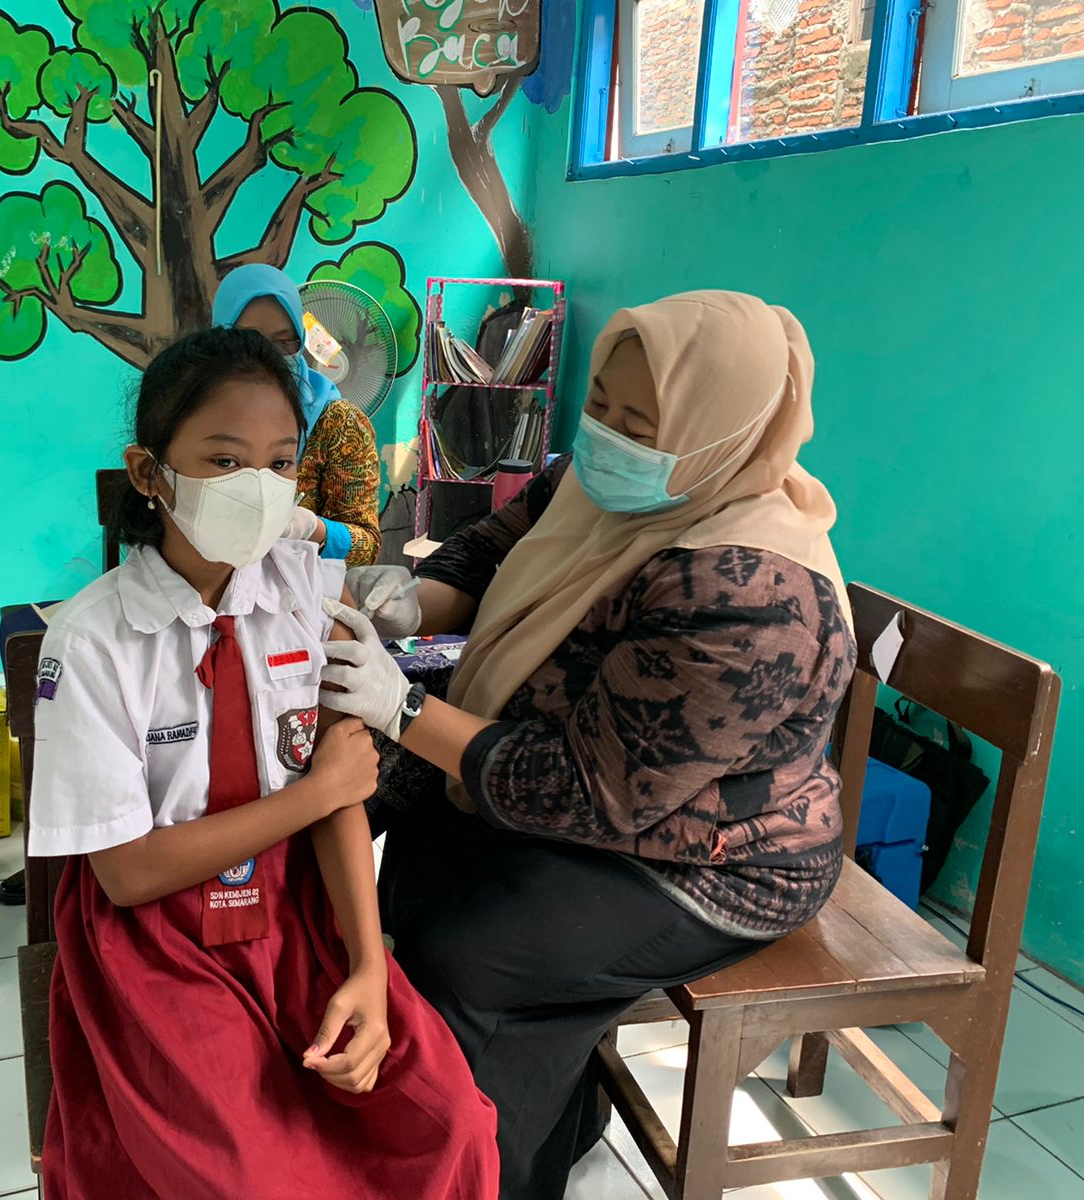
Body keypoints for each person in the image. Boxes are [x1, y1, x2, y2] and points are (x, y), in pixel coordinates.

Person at [323, 291, 857, 1200]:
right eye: (600, 404)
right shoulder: (606, 478)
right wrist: (408, 604)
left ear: (718, 432)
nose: (605, 435)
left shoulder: (753, 594)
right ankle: (534, 1118)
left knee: (474, 953)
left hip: (710, 860)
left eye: (638, 425)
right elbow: (488, 551)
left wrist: (402, 709)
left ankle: (490, 1171)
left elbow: (593, 792)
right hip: (583, 779)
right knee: (418, 834)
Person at [28, 326, 497, 1200]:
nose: (259, 488)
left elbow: (341, 801)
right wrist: (316, 794)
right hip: (161, 939)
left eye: (281, 463)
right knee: (250, 1176)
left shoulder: (304, 593)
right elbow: (128, 873)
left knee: (451, 1125)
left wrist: (367, 966)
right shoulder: (91, 642)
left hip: (294, 909)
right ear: (149, 473)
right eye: (224, 460)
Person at [212, 263, 383, 565]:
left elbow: (367, 546)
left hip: (301, 585)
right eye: (251, 341)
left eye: (285, 342)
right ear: (221, 337)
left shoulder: (338, 424)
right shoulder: (199, 413)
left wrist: (310, 528)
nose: (269, 356)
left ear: (301, 341)